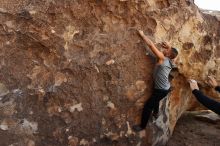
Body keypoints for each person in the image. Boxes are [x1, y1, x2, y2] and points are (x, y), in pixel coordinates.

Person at [133, 30, 178, 132]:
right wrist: (169, 47)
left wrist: (142, 34)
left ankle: (142, 126)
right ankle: (156, 112)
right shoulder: (172, 60)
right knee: (156, 98)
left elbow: (151, 45)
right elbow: (174, 53)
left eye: (167, 50)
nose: (164, 50)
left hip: (161, 89)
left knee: (148, 106)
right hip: (164, 87)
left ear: (168, 54)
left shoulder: (162, 58)